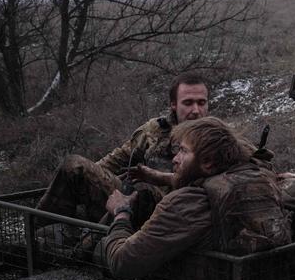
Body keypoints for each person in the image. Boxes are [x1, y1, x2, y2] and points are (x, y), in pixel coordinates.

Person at [101, 117, 290, 280]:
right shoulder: (263, 178)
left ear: (207, 162)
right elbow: (210, 181)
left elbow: (122, 264)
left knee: (103, 248)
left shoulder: (188, 202)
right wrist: (159, 177)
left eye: (183, 151)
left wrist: (121, 213)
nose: (175, 158)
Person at [36, 74, 210, 224]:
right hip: (136, 203)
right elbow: (116, 160)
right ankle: (35, 233)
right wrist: (89, 179)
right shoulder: (155, 131)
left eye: (201, 103)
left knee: (143, 193)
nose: (196, 110)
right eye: (188, 103)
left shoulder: (216, 140)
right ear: (173, 104)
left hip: (174, 213)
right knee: (75, 167)